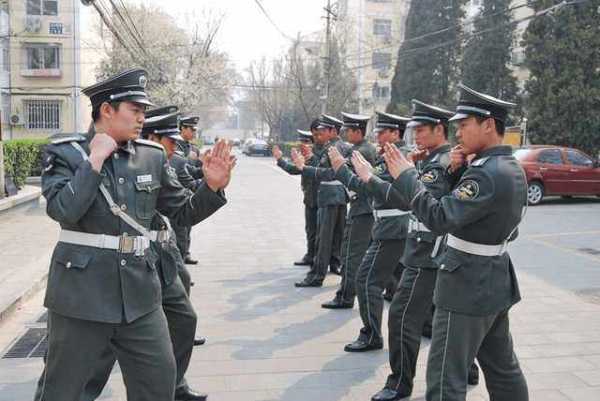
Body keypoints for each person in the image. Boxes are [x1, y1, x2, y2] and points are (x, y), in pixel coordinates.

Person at [35, 68, 232, 401]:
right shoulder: (66, 153)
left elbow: (181, 212)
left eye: (143, 111)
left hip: (140, 296)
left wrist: (211, 187)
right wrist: (94, 160)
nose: (142, 118)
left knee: (159, 381)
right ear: (107, 110)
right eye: (135, 110)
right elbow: (64, 211)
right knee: (63, 390)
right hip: (81, 297)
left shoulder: (149, 157)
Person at [357, 83, 529, 401]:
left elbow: (437, 217)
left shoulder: (485, 173)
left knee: (444, 378)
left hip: (465, 285)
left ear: (488, 125)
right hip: (492, 279)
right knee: (503, 370)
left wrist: (408, 175)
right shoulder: (505, 167)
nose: (458, 132)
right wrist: (451, 171)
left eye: (464, 125)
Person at [73, 108, 217, 401]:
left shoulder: (156, 159)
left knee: (182, 319)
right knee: (94, 358)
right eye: (170, 141)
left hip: (156, 258)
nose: (175, 148)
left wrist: (212, 185)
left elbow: (181, 207)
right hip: (108, 272)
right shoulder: (90, 156)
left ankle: (174, 385)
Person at [369, 100, 479, 401]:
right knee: (441, 319)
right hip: (428, 253)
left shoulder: (442, 163)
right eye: (414, 129)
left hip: (425, 255)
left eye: (421, 130)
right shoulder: (436, 159)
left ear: (438, 130)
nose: (414, 135)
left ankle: (398, 384)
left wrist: (403, 174)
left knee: (402, 318)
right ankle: (468, 369)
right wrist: (414, 167)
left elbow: (419, 201)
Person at [328, 112, 411, 352]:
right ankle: (423, 324)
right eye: (378, 131)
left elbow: (367, 187)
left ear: (396, 133)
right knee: (403, 282)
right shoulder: (392, 155)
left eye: (383, 131)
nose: (378, 136)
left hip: (391, 229)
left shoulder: (398, 157)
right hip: (390, 227)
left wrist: (341, 170)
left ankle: (372, 335)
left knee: (366, 281)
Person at [320, 112, 377, 309]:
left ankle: (345, 296)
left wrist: (339, 166)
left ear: (357, 131)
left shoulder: (361, 151)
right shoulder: (363, 148)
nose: (346, 135)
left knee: (351, 255)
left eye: (348, 131)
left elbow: (354, 179)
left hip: (362, 209)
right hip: (365, 207)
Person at [291, 114, 352, 287]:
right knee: (336, 235)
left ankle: (317, 275)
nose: (318, 134)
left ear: (332, 131)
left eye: (322, 130)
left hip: (330, 195)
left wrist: (305, 166)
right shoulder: (341, 146)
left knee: (323, 238)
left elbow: (325, 171)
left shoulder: (333, 148)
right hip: (339, 195)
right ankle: (334, 263)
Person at [272, 120, 321, 267]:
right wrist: (279, 159)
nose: (302, 148)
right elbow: (293, 169)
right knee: (310, 229)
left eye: (305, 144)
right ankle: (310, 255)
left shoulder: (318, 156)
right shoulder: (304, 159)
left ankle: (328, 259)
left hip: (323, 200)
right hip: (310, 198)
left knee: (323, 232)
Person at [174, 115, 202, 265]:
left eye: (195, 130)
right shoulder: (174, 146)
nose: (194, 133)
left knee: (187, 229)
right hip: (176, 193)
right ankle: (179, 267)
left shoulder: (193, 148)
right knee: (180, 233)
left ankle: (185, 256)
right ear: (182, 128)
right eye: (191, 129)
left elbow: (195, 169)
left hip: (188, 193)